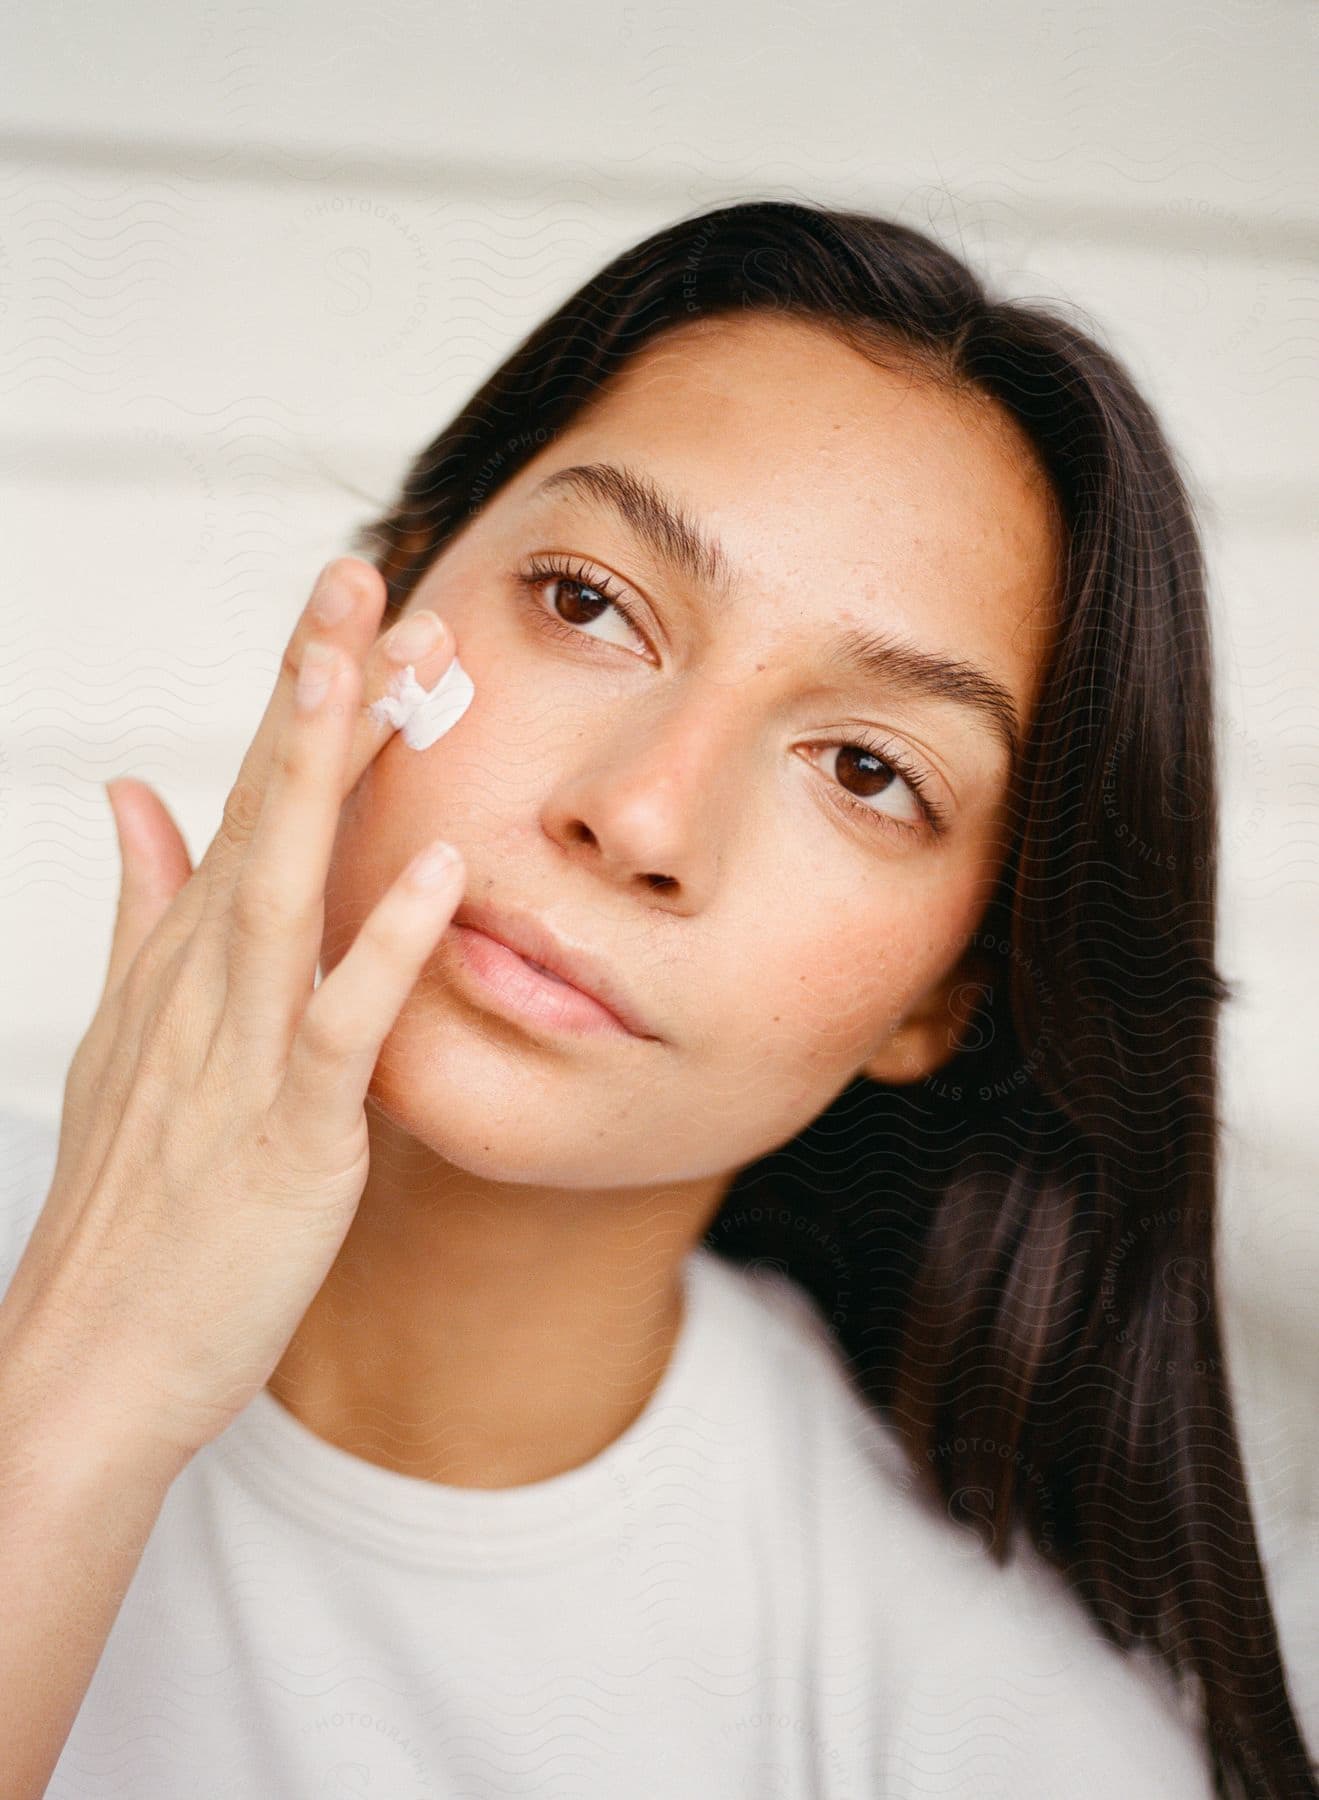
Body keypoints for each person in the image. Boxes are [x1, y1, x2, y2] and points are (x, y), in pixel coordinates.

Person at [1, 199, 1313, 1798]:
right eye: (590, 605)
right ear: (384, 602)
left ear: (946, 995)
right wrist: (79, 1401)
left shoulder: (995, 1736)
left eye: (866, 771)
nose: (641, 817)